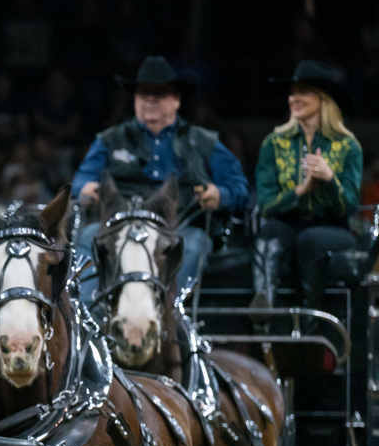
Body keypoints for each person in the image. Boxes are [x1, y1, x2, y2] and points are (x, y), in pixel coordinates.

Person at [72, 56, 250, 298]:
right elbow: (81, 182)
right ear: (134, 100)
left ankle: (166, 316)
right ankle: (90, 317)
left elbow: (239, 188)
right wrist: (86, 189)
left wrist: (220, 195)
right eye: (144, 93)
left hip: (181, 228)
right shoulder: (109, 140)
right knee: (88, 236)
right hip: (118, 227)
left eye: (160, 93)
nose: (151, 99)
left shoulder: (203, 141)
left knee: (195, 244)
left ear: (176, 100)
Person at [253, 61, 364, 323]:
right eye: (292, 93)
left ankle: (309, 320)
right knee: (268, 235)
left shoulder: (348, 146)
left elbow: (348, 207)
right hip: (287, 221)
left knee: (311, 240)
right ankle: (264, 308)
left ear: (322, 98)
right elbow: (266, 205)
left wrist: (329, 179)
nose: (294, 99)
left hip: (332, 227)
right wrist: (300, 191)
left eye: (303, 92)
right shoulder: (274, 143)